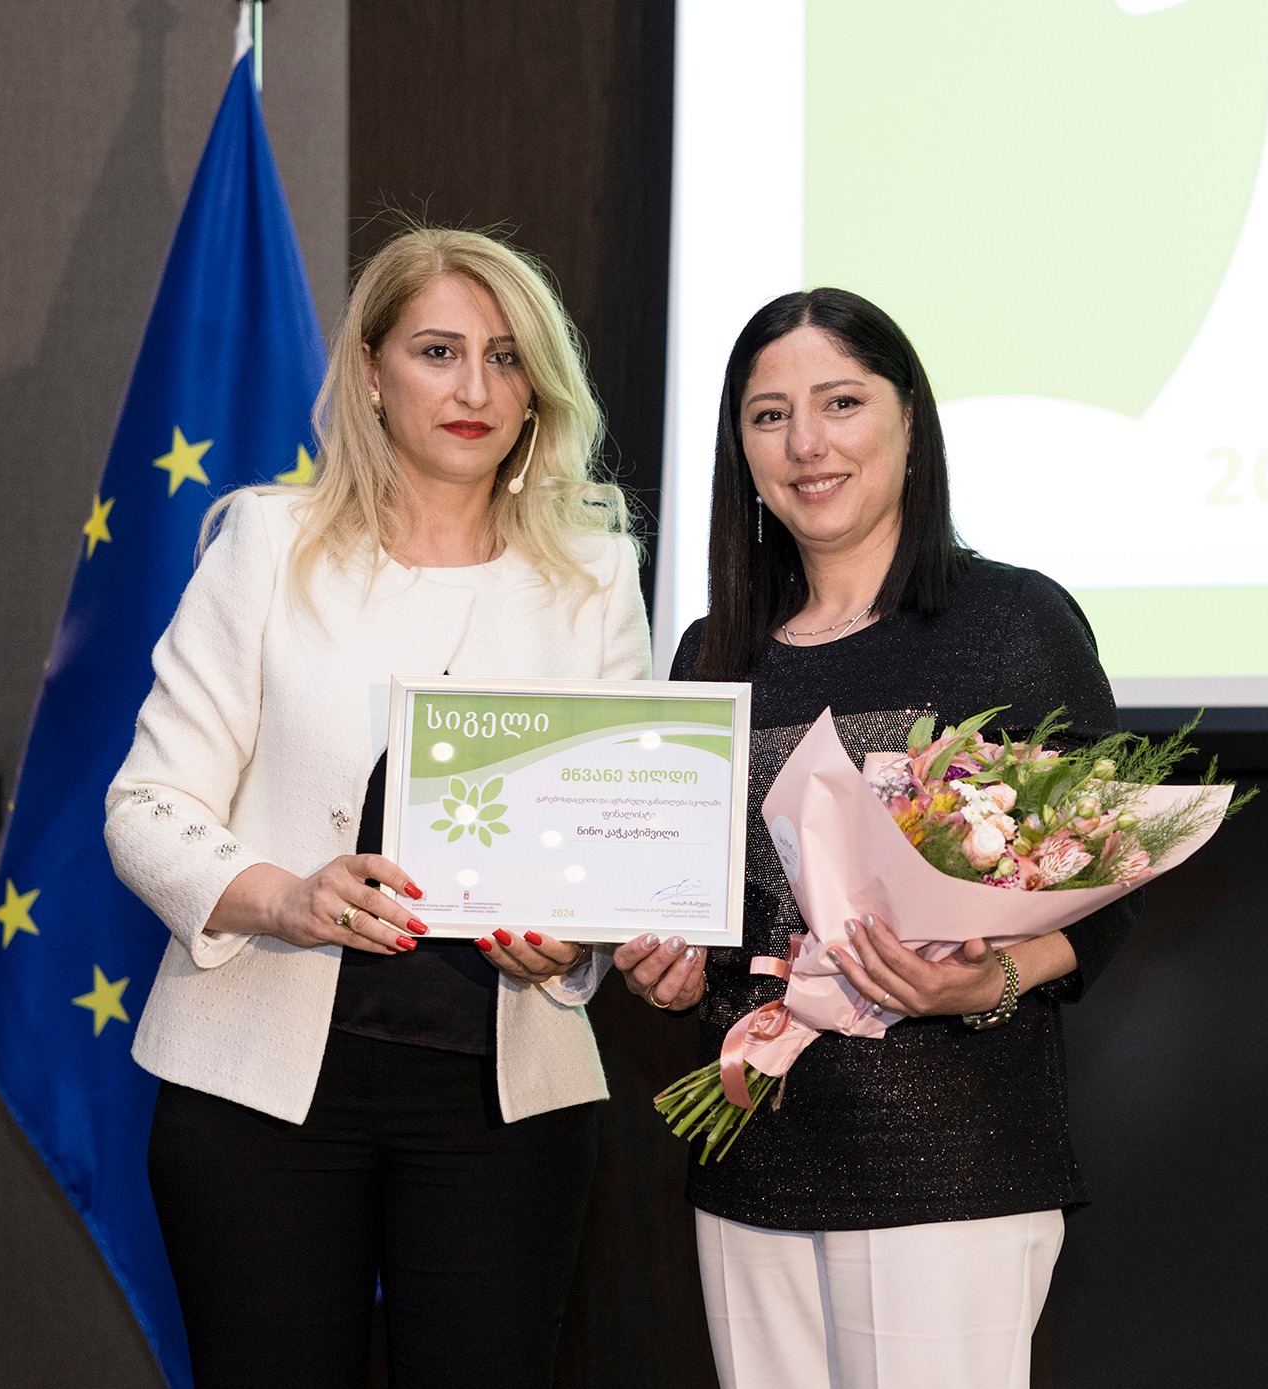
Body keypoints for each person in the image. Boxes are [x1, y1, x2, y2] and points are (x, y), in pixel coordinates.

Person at [106, 227, 650, 1389]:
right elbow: (146, 806)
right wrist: (284, 897)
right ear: (368, 372)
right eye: (438, 351)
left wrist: (573, 938)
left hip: (509, 1107)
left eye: (507, 358)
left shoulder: (595, 575)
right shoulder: (267, 543)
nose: (475, 389)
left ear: (538, 389)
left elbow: (617, 837)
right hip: (257, 1094)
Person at [615, 288, 1140, 1388]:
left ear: (910, 418)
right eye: (769, 416)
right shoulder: (712, 654)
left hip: (949, 1162)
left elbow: (1113, 879)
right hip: (750, 1155)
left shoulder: (1012, 622)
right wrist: (670, 970)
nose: (806, 443)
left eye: (841, 402)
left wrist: (989, 979)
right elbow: (704, 908)